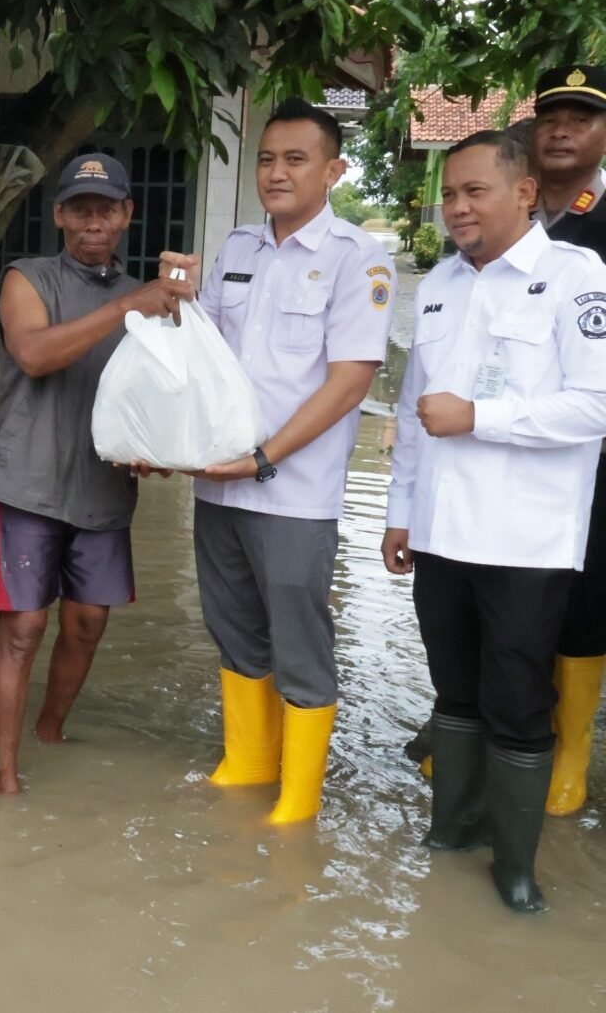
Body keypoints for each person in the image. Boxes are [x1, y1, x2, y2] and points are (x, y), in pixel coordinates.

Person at [382, 131, 606, 911]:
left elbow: (594, 406)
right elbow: (413, 417)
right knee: (453, 690)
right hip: (442, 531)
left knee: (516, 699)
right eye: (448, 194)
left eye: (473, 191)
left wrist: (482, 415)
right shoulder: (439, 284)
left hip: (525, 539)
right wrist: (398, 512)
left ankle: (515, 866)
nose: (456, 208)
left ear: (523, 194)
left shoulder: (576, 277)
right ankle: (454, 829)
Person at [161, 99, 395, 824]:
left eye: (295, 159)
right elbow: (208, 362)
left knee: (299, 639)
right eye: (266, 158)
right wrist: (177, 306)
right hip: (220, 484)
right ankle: (251, 758)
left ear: (334, 170)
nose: (276, 172)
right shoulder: (237, 248)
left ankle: (299, 792)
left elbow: (350, 379)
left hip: (292, 491)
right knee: (232, 625)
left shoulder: (357, 258)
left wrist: (262, 458)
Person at [0, 152, 197, 794]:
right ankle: (5, 775)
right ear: (60, 215)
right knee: (23, 629)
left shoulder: (149, 298)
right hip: (27, 486)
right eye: (80, 208)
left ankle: (51, 728)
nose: (93, 221)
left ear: (127, 215)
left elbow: (164, 392)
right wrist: (132, 306)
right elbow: (35, 354)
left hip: (103, 489)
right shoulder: (27, 276)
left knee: (87, 623)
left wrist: (157, 450)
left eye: (107, 208)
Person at [530, 64, 606, 815]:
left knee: (586, 595)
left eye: (580, 118)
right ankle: (488, 729)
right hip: (507, 443)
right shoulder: (506, 218)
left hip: (595, 448)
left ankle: (571, 751)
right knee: (502, 585)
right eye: (552, 115)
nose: (561, 130)